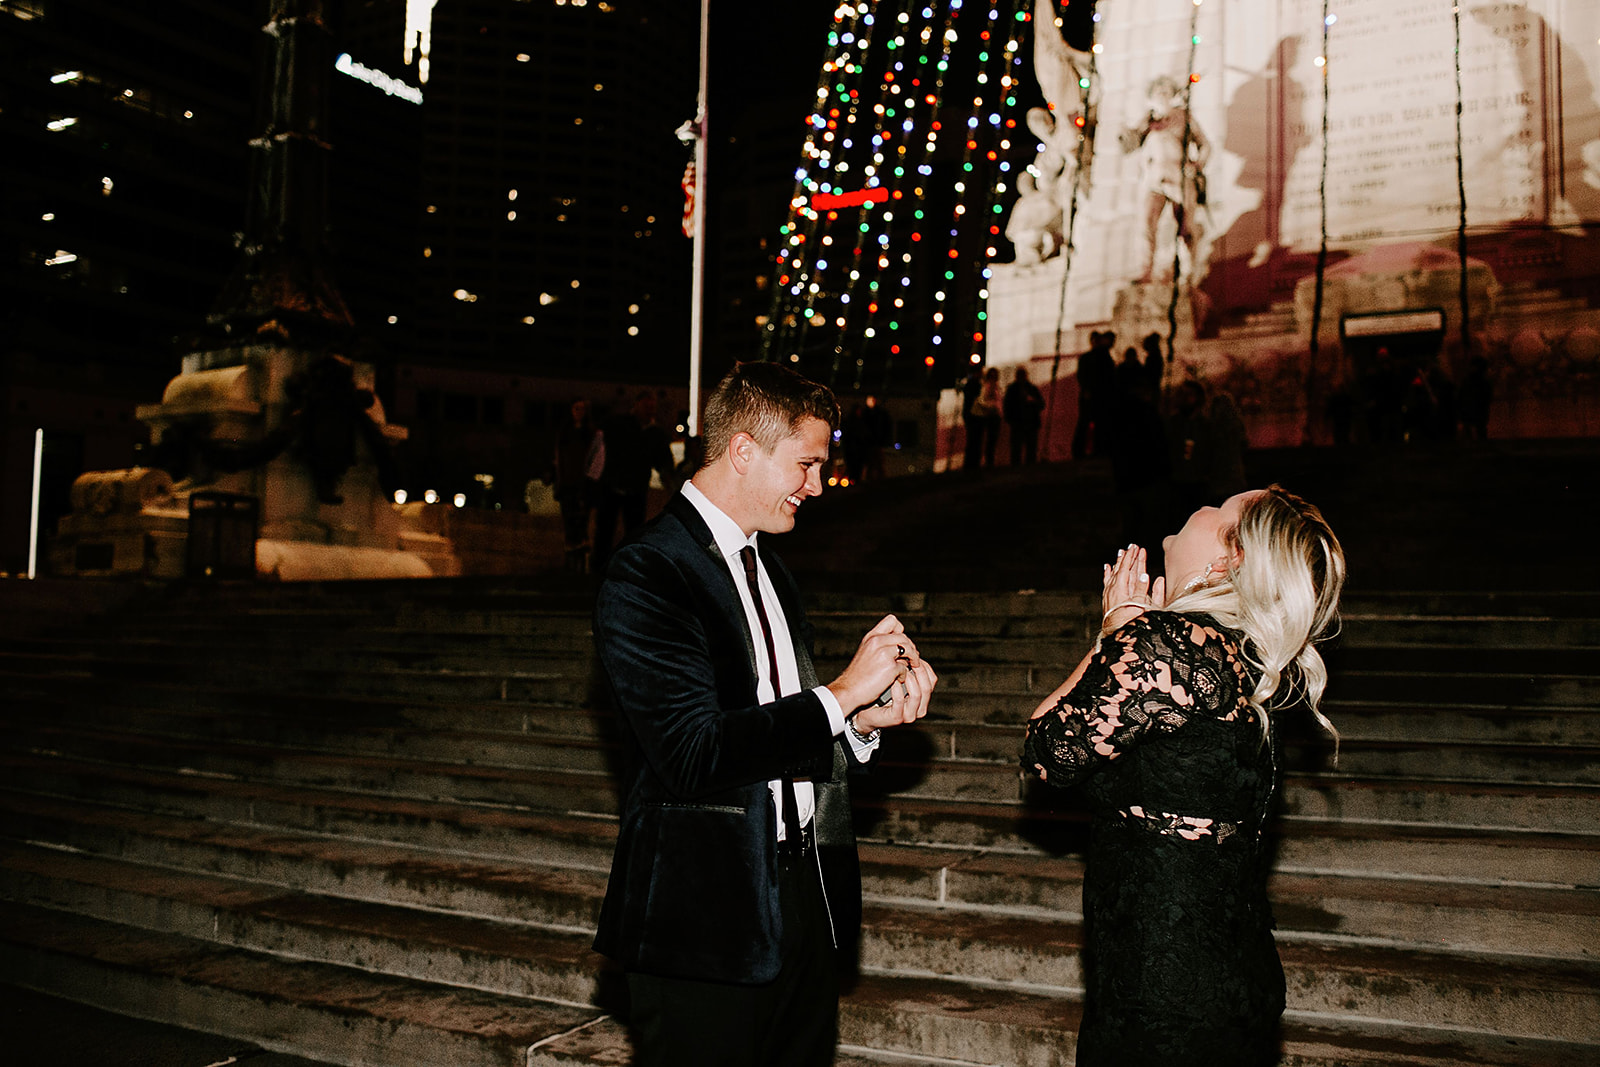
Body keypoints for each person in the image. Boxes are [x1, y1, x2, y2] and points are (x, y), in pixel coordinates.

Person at [592, 361, 940, 1067]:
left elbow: (782, 731)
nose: (818, 485)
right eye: (807, 464)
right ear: (744, 449)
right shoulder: (648, 570)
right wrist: (841, 693)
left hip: (802, 897)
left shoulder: (770, 566)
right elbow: (693, 752)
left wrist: (863, 720)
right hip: (704, 919)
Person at [1022, 486, 1345, 1066]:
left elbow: (1048, 752)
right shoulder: (1235, 658)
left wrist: (1119, 630)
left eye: (1216, 508)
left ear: (1230, 558)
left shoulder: (1171, 645)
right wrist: (1121, 640)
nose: (1197, 507)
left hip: (1163, 992)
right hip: (1223, 978)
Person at [593, 390, 676, 571]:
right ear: (636, 405)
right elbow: (598, 447)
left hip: (635, 488)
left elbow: (664, 461)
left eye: (651, 408)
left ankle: (628, 566)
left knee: (633, 530)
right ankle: (600, 566)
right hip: (612, 484)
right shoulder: (617, 425)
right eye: (646, 406)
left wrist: (670, 481)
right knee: (605, 530)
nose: (649, 411)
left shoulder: (654, 433)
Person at [551, 397, 601, 568]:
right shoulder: (565, 432)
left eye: (582, 409)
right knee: (568, 517)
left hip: (582, 481)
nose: (579, 413)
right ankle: (571, 550)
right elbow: (559, 457)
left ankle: (579, 551)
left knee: (581, 517)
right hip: (567, 481)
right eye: (576, 409)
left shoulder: (590, 433)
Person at [1073, 330, 1115, 459]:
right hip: (1094, 396)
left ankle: (1089, 451)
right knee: (1088, 423)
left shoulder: (1095, 357)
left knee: (1094, 423)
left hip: (1096, 396)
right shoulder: (1097, 358)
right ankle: (1086, 451)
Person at [1003, 366, 1046, 465]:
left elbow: (1041, 404)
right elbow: (1007, 406)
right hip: (1022, 423)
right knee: (1021, 450)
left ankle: (1020, 470)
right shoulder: (1027, 389)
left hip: (1025, 423)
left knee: (1023, 450)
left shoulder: (1015, 389)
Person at [972, 366, 1004, 468]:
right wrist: (991, 407)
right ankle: (988, 462)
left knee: (992, 440)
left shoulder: (996, 386)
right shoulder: (988, 386)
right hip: (991, 415)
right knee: (990, 440)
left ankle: (989, 461)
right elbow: (982, 400)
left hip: (995, 415)